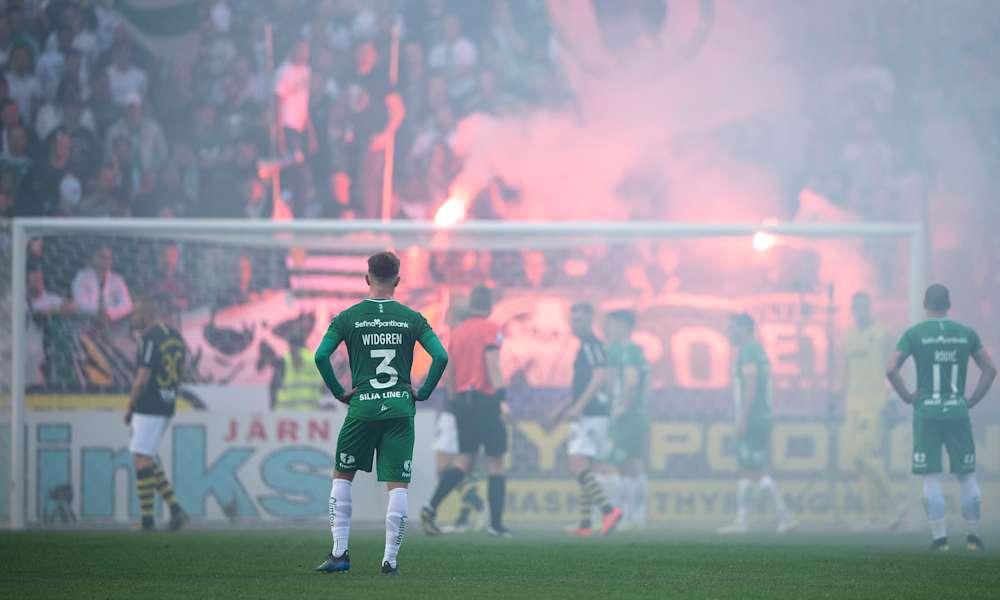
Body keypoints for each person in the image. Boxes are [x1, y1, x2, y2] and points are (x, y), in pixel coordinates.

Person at [313, 251, 448, 576]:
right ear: (397, 281)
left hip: (363, 408)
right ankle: (390, 561)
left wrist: (338, 391)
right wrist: (424, 392)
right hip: (400, 408)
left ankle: (340, 554)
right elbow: (440, 356)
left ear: (367, 278)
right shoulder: (412, 318)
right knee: (398, 485)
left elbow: (320, 356)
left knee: (342, 477)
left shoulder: (348, 317)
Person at [886, 284, 996, 552]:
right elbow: (991, 370)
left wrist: (908, 396)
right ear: (950, 303)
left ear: (925, 304)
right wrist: (971, 401)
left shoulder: (914, 334)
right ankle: (973, 538)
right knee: (966, 474)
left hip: (927, 412)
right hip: (957, 410)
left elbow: (890, 369)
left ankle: (940, 540)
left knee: (931, 477)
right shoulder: (966, 334)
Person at [422, 285, 511, 537]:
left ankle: (431, 506)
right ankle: (496, 524)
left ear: (471, 304)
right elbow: (493, 365)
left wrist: (455, 401)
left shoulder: (457, 332)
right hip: (486, 399)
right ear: (490, 305)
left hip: (461, 402)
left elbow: (449, 374)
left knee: (463, 458)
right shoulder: (492, 330)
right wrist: (502, 398)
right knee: (495, 461)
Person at [717, 314, 798, 535]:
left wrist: (742, 415)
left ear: (743, 329)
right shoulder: (753, 350)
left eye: (731, 327)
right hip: (759, 417)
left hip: (754, 418)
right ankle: (742, 520)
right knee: (746, 468)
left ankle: (784, 515)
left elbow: (751, 384)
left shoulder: (749, 351)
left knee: (755, 471)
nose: (728, 332)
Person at [549, 302, 623, 537]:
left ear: (590, 321)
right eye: (573, 320)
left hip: (590, 415)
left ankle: (608, 511)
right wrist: (563, 407)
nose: (574, 324)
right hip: (592, 414)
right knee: (586, 468)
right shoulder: (586, 346)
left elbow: (600, 377)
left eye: (579, 320)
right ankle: (585, 524)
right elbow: (584, 383)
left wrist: (578, 407)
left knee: (577, 465)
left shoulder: (591, 345)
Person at [838, 292, 905, 529]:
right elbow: (845, 370)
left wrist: (895, 396)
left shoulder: (883, 333)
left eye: (865, 306)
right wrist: (838, 397)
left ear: (871, 308)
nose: (861, 310)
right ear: (852, 309)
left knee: (863, 454)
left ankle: (896, 505)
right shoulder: (847, 336)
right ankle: (871, 516)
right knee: (860, 462)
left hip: (874, 404)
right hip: (851, 405)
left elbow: (893, 367)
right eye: (856, 306)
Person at [124, 298, 189, 532]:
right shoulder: (176, 336)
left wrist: (130, 405)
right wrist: (170, 392)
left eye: (136, 313)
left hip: (149, 404)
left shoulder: (149, 339)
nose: (133, 318)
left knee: (141, 457)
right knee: (147, 455)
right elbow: (182, 371)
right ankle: (175, 511)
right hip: (167, 402)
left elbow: (143, 377)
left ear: (147, 313)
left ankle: (147, 520)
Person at [604, 310, 650, 529]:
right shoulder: (632, 351)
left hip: (628, 416)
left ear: (623, 325)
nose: (608, 329)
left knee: (623, 467)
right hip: (638, 416)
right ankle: (636, 516)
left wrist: (620, 406)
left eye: (611, 324)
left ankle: (628, 515)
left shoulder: (629, 352)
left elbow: (631, 382)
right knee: (634, 465)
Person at [71, 245, 134, 323]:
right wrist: (97, 312)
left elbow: (127, 304)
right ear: (93, 258)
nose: (106, 261)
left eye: (109, 258)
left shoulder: (117, 279)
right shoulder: (82, 276)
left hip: (112, 322)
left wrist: (110, 314)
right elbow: (80, 301)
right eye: (102, 257)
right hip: (86, 320)